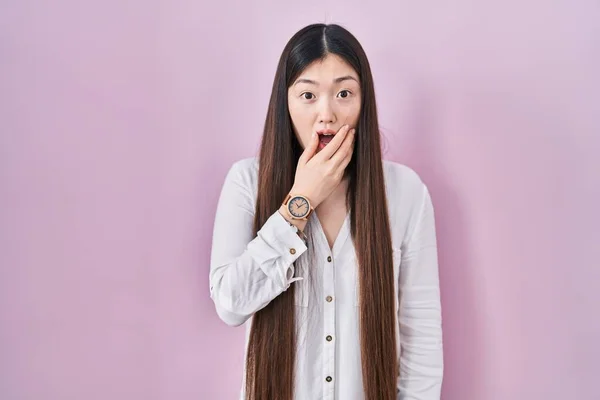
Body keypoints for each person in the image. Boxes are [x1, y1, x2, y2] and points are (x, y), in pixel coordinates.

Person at [209, 23, 443, 400]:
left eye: (344, 93)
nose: (326, 114)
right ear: (284, 103)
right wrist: (299, 202)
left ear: (364, 101)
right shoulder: (246, 182)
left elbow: (422, 336)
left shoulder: (405, 193)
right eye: (307, 95)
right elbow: (231, 305)